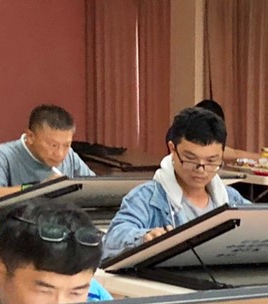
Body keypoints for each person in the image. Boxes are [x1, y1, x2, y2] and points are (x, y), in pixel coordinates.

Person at [103, 106, 251, 259]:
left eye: (211, 161)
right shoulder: (147, 198)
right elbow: (112, 239)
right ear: (172, 149)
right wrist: (144, 237)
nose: (201, 170)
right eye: (190, 159)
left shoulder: (231, 199)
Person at [0, 104, 95, 207]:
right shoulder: (3, 155)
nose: (60, 153)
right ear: (30, 137)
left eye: (66, 145)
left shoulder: (70, 156)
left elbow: (96, 189)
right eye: (53, 145)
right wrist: (38, 189)